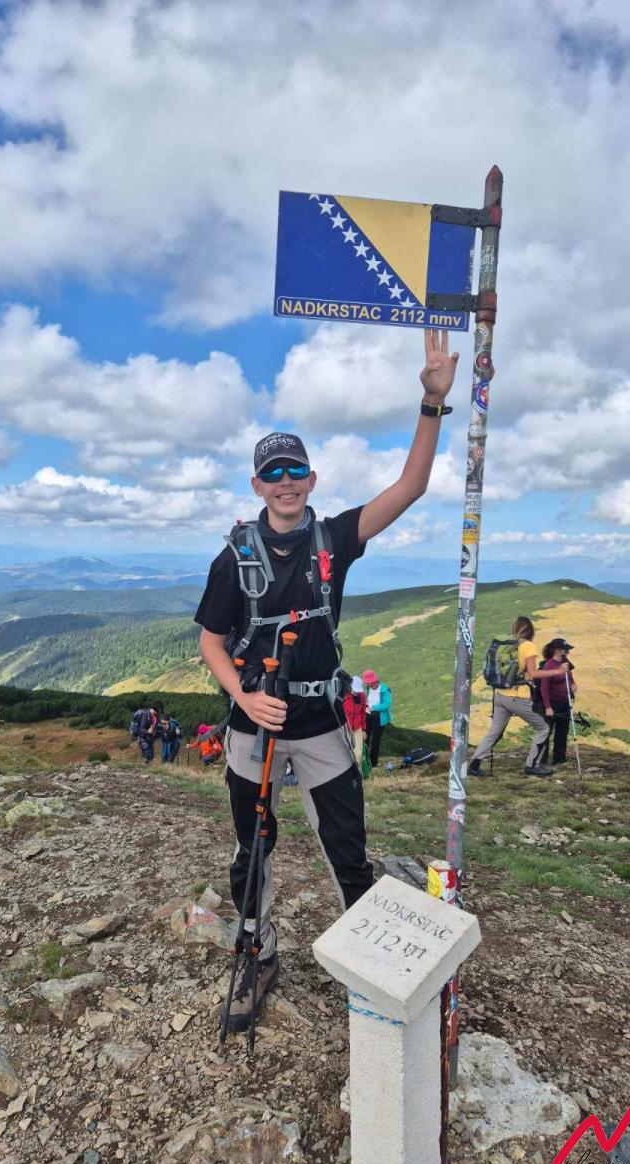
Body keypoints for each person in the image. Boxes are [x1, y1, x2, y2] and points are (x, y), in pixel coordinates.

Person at [194, 329, 460, 1035]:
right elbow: (211, 641)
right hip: (253, 726)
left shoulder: (335, 540)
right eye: (273, 474)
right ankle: (257, 953)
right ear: (257, 486)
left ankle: (374, 971)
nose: (285, 483)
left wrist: (432, 403)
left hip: (320, 724)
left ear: (311, 480)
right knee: (252, 850)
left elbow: (410, 487)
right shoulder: (233, 559)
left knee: (347, 846)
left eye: (296, 471)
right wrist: (242, 696)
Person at [467, 616, 570, 778]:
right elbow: (533, 673)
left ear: (515, 628)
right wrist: (559, 671)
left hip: (500, 695)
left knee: (494, 732)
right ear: (531, 631)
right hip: (517, 697)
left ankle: (474, 765)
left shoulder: (506, 644)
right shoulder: (528, 646)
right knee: (544, 727)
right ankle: (532, 765)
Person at [537, 638, 576, 765]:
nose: (567, 652)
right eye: (565, 650)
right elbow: (544, 688)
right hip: (552, 703)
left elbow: (569, 677)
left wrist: (573, 684)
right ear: (557, 650)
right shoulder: (549, 666)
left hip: (565, 702)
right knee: (547, 731)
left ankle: (559, 759)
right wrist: (548, 707)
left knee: (562, 731)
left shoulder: (565, 663)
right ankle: (542, 760)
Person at [362, 670, 392, 767]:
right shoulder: (368, 688)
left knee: (375, 742)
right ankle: (364, 761)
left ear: (375, 681)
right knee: (365, 739)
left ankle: (373, 763)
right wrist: (366, 706)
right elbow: (369, 700)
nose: (369, 684)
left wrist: (374, 707)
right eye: (368, 683)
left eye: (370, 683)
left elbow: (386, 705)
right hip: (368, 716)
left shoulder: (384, 690)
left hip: (379, 718)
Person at [343, 676, 368, 762]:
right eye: (355, 690)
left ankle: (357, 769)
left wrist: (364, 729)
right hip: (345, 728)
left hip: (358, 727)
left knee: (358, 754)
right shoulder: (344, 697)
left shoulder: (362, 696)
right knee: (347, 753)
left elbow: (363, 713)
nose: (356, 692)